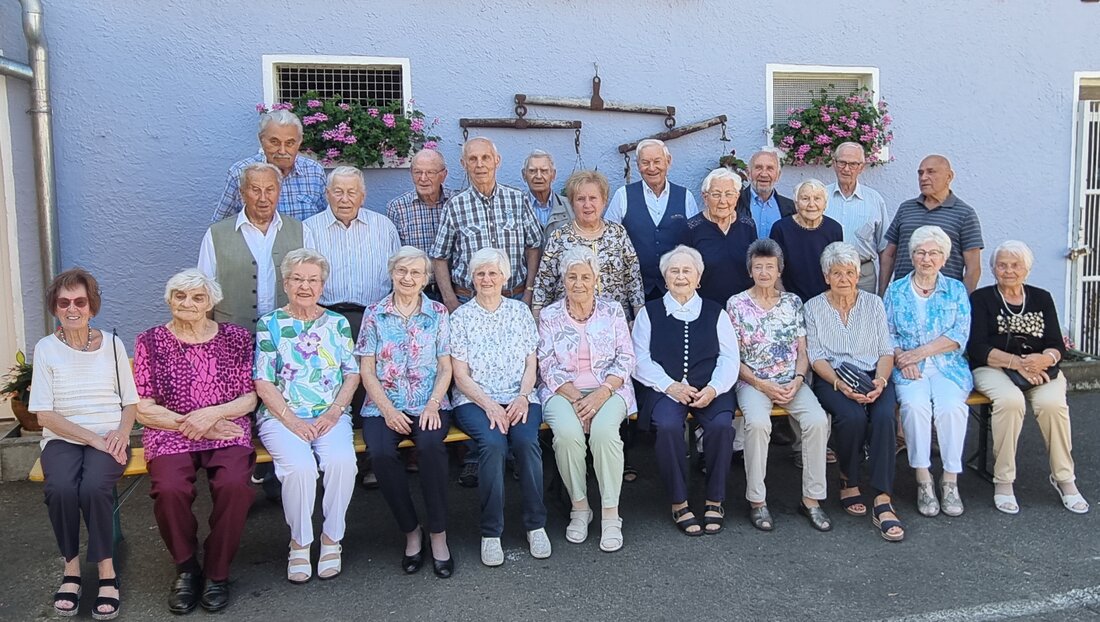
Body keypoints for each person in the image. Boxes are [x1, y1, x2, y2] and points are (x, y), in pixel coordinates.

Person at [133, 270, 257, 613]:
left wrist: (212, 416)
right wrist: (196, 424)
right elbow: (143, 408)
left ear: (211, 302)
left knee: (235, 485)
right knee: (170, 488)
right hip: (170, 430)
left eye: (197, 297)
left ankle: (217, 572)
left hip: (226, 427)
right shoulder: (150, 341)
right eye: (180, 296)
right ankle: (187, 568)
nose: (187, 303)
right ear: (169, 299)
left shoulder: (236, 338)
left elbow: (249, 398)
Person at [29, 268, 137, 620]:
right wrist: (93, 439)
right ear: (55, 307)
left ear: (92, 306)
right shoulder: (46, 348)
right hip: (64, 438)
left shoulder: (113, 344)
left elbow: (130, 402)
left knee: (93, 487)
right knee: (60, 487)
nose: (72, 308)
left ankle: (107, 573)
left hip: (110, 436)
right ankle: (71, 570)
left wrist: (120, 433)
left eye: (80, 301)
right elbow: (44, 415)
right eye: (64, 302)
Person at [253, 249, 360, 583]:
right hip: (280, 415)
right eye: (298, 278)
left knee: (343, 462)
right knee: (299, 469)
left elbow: (351, 374)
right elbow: (262, 380)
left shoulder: (338, 323)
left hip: (330, 414)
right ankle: (300, 543)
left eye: (313, 280)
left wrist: (335, 411)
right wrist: (292, 420)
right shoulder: (269, 324)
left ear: (322, 285)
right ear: (285, 283)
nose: (305, 286)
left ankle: (332, 538)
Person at [968, 241, 1089, 515]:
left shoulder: (1042, 297)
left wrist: (1044, 360)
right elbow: (976, 347)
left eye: (1015, 265)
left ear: (1027, 269)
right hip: (994, 367)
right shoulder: (982, 299)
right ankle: (1004, 481)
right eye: (1002, 265)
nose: (1008, 271)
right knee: (1011, 403)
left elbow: (1056, 344)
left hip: (1040, 368)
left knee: (1052, 405)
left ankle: (1064, 478)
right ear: (993, 269)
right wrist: (1017, 363)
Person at [356, 246, 455, 578]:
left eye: (415, 272)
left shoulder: (439, 313)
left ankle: (438, 534)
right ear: (392, 273)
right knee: (381, 454)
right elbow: (366, 370)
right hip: (384, 405)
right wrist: (386, 409)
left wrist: (431, 404)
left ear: (426, 279)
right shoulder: (374, 313)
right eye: (402, 271)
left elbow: (446, 368)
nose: (408, 278)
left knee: (430, 447)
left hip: (430, 402)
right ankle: (411, 530)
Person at [449, 248, 549, 566]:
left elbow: (531, 364)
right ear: (471, 278)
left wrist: (522, 396)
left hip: (520, 396)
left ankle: (536, 524)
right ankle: (491, 532)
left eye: (493, 273)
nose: (487, 279)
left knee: (525, 441)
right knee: (492, 443)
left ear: (505, 277)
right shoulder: (460, 318)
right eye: (480, 273)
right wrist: (489, 404)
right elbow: (460, 375)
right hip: (475, 400)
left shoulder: (520, 312)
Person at [632, 245, 738, 536]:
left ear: (698, 278)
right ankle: (679, 501)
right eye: (674, 271)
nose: (680, 276)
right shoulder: (649, 313)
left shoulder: (716, 312)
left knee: (720, 426)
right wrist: (670, 386)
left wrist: (714, 389)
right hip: (665, 388)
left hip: (710, 388)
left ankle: (715, 499)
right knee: (666, 425)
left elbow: (730, 358)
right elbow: (639, 359)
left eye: (687, 271)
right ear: (665, 279)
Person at [726, 239, 832, 532]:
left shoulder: (793, 302)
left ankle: (812, 500)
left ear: (779, 270)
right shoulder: (736, 304)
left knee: (817, 421)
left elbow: (803, 350)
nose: (763, 272)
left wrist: (798, 379)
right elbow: (733, 358)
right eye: (758, 266)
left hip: (791, 380)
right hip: (753, 382)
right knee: (758, 424)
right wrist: (762, 384)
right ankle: (757, 501)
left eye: (769, 267)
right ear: (750, 270)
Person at [537, 247, 636, 552]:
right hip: (561, 391)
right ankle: (580, 508)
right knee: (566, 435)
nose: (578, 283)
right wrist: (577, 398)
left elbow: (626, 357)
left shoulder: (613, 310)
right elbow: (545, 362)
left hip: (610, 389)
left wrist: (603, 392)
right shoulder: (550, 315)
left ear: (596, 279)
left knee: (605, 434)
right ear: (563, 280)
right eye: (572, 277)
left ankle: (610, 513)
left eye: (585, 277)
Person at [805, 242, 903, 542]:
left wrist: (882, 383)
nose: (844, 278)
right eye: (837, 273)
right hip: (833, 376)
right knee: (851, 417)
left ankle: (883, 497)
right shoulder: (813, 307)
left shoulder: (874, 304)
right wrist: (840, 385)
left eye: (850, 272)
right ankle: (849, 478)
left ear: (858, 275)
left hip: (874, 374)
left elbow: (886, 350)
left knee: (885, 415)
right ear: (826, 276)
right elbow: (816, 356)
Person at [884, 226, 973, 518]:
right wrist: (902, 358)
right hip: (907, 368)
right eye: (920, 252)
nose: (926, 258)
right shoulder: (896, 290)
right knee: (914, 406)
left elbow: (959, 333)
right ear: (912, 256)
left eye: (934, 253)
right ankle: (923, 479)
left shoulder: (956, 290)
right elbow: (887, 332)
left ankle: (950, 480)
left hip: (947, 367)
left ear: (944, 259)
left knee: (951, 408)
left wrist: (919, 354)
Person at [304, 165, 400, 416]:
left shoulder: (383, 227)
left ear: (362, 196)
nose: (344, 199)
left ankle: (371, 439)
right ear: (327, 194)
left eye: (351, 192)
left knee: (375, 381)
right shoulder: (309, 229)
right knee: (331, 381)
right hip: (325, 318)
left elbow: (396, 277)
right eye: (338, 191)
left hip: (373, 317)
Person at [430, 137, 543, 312]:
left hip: (514, 298)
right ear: (464, 164)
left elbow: (533, 246)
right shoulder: (455, 205)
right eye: (473, 159)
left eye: (486, 158)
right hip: (468, 300)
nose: (479, 164)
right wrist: (450, 300)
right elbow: (439, 257)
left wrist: (529, 291)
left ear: (497, 161)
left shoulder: (518, 200)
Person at [198, 162, 305, 334]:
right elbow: (203, 290)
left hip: (287, 335)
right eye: (255, 190)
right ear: (242, 193)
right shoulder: (216, 234)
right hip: (230, 335)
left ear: (279, 192)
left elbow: (312, 286)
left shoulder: (301, 231)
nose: (263, 198)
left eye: (270, 190)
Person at [532, 169, 644, 320]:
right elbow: (544, 285)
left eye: (593, 198)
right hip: (568, 324)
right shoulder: (559, 237)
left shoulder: (618, 233)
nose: (587, 205)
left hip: (613, 323)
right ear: (572, 203)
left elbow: (633, 279)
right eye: (580, 199)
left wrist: (638, 321)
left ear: (604, 201)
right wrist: (538, 323)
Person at [604, 139, 700, 300]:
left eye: (657, 161)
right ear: (638, 165)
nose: (652, 168)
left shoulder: (685, 197)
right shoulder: (623, 195)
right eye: (645, 162)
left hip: (676, 290)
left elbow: (695, 242)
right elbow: (609, 240)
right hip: (634, 291)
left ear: (668, 162)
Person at [879, 154, 984, 294]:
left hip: (944, 299)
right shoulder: (906, 208)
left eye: (931, 172)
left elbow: (973, 268)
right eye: (920, 173)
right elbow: (889, 254)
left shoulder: (965, 214)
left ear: (949, 176)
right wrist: (882, 294)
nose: (923, 177)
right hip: (903, 297)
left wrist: (963, 302)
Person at [212, 109, 327, 222]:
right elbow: (219, 227)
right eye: (274, 142)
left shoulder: (314, 172)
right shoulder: (240, 173)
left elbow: (324, 221)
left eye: (289, 143)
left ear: (299, 142)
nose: (282, 151)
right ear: (261, 140)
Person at [387, 149, 453, 301]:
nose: (423, 178)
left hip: (452, 289)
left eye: (430, 172)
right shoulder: (397, 207)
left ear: (443, 175)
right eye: (417, 172)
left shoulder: (455, 202)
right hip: (414, 291)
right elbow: (394, 255)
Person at [826, 142, 889, 293]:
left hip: (864, 275)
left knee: (865, 315)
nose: (846, 169)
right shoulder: (821, 197)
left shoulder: (875, 200)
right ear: (834, 164)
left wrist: (882, 289)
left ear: (861, 167)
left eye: (853, 164)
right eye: (842, 162)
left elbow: (884, 248)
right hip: (828, 273)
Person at [687, 168, 757, 304]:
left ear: (737, 197)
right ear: (705, 197)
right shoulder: (691, 228)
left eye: (729, 194)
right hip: (705, 306)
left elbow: (754, 266)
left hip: (743, 307)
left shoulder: (748, 225)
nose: (723, 201)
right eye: (716, 194)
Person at [769, 179, 844, 302]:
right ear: (796, 203)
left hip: (826, 300)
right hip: (789, 299)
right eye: (805, 199)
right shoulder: (780, 229)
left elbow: (837, 269)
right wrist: (786, 299)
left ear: (825, 204)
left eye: (817, 199)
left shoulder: (834, 229)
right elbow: (774, 269)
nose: (811, 204)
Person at [736, 149, 795, 239]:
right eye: (758, 167)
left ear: (778, 175)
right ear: (749, 173)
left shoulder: (791, 207)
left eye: (770, 168)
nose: (764, 174)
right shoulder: (735, 203)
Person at [521, 149, 574, 243]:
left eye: (544, 171)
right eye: (532, 171)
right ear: (524, 175)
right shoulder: (517, 207)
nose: (538, 176)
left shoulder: (570, 206)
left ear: (553, 175)